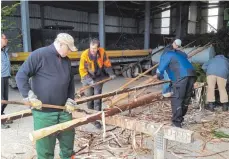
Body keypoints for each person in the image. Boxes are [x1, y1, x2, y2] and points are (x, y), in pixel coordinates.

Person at [16, 33, 78, 159]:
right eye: (69, 48)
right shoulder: (39, 55)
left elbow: (70, 82)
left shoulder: (66, 60)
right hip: (44, 113)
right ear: (61, 44)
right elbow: (21, 76)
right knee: (45, 150)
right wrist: (30, 97)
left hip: (64, 111)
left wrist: (71, 99)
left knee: (68, 146)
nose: (70, 51)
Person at [156, 41, 196, 128]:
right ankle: (180, 118)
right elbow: (185, 57)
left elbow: (160, 69)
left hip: (181, 76)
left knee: (177, 98)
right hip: (192, 74)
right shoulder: (180, 54)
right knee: (186, 97)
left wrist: (159, 76)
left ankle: (176, 122)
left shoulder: (166, 54)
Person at [79, 38, 116, 129]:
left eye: (94, 48)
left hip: (98, 78)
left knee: (97, 98)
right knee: (89, 98)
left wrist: (111, 73)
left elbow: (107, 63)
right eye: (91, 48)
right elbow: (82, 70)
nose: (92, 50)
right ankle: (90, 116)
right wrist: (89, 81)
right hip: (87, 78)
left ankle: (97, 118)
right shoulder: (85, 55)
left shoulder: (102, 52)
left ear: (98, 48)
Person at [1, 33, 17, 129]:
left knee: (5, 99)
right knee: (1, 99)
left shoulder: (4, 51)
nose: (7, 40)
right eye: (5, 38)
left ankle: (2, 116)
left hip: (5, 76)